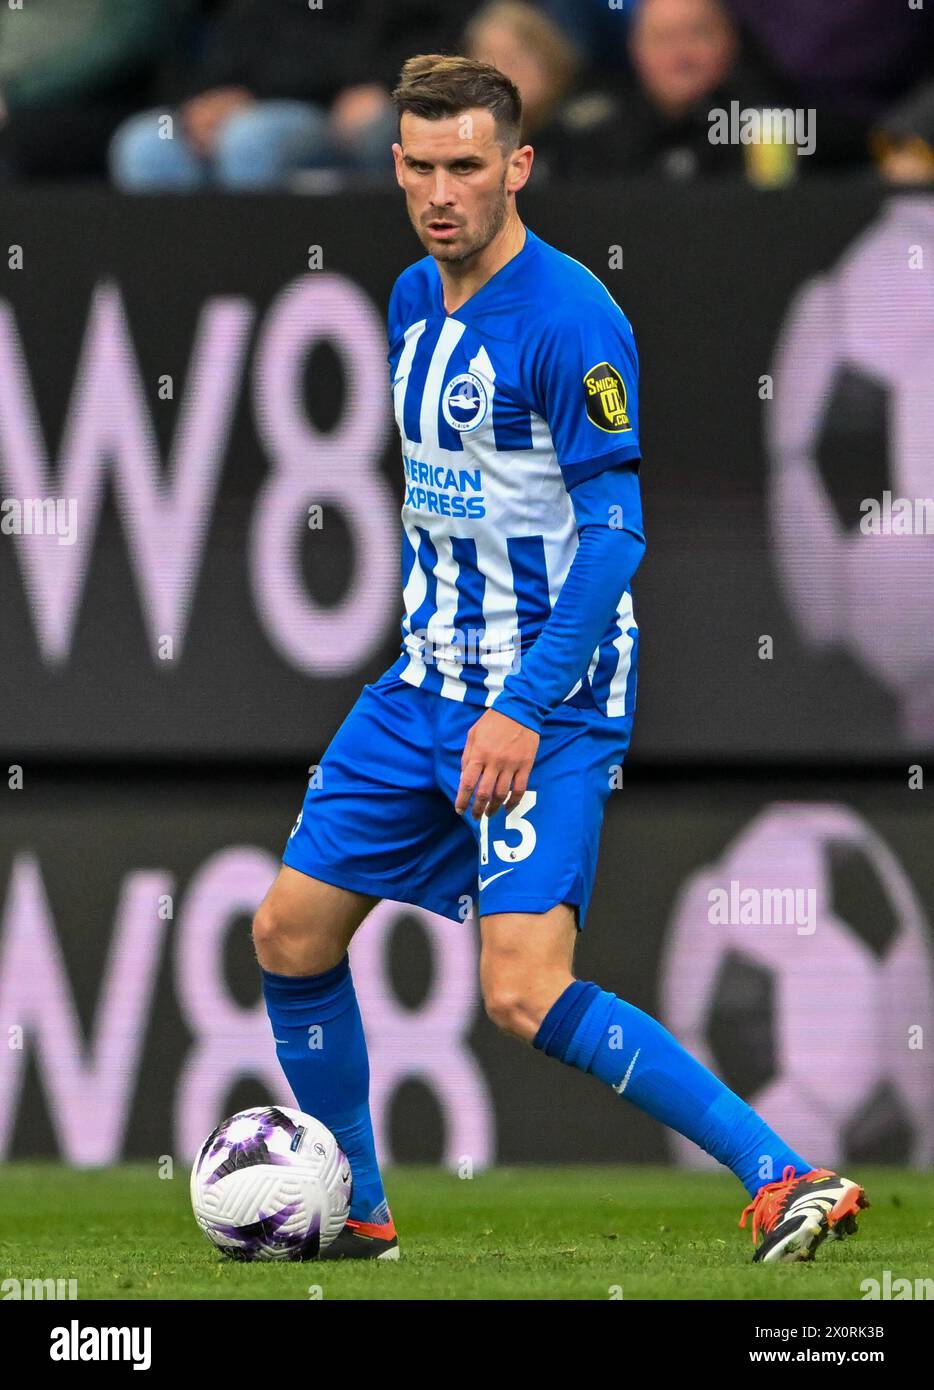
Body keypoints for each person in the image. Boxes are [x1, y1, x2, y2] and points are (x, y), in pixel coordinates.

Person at [252, 54, 869, 1262]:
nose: (442, 193)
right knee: (288, 932)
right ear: (395, 167)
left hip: (547, 695)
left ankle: (784, 1171)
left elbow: (617, 534)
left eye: (467, 167)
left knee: (521, 990)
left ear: (517, 167)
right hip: (421, 683)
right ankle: (360, 1211)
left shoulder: (573, 317)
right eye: (420, 167)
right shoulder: (409, 301)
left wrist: (524, 705)